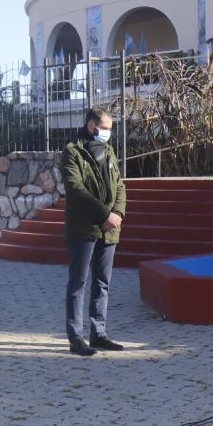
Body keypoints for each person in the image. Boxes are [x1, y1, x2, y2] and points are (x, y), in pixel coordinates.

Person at [61, 106, 127, 356]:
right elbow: (76, 190)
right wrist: (104, 215)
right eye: (106, 129)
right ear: (92, 126)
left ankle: (98, 333)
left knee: (103, 282)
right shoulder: (72, 152)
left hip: (110, 230)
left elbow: (120, 185)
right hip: (84, 228)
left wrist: (118, 214)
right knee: (78, 282)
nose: (108, 133)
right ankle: (76, 338)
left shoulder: (109, 151)